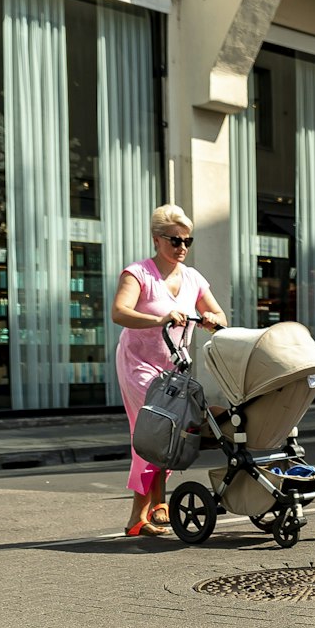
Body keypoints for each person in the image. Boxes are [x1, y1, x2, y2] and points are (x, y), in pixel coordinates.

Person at [111, 205, 227, 537]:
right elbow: (119, 312)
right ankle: (150, 507)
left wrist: (210, 321)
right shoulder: (138, 274)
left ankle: (147, 511)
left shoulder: (192, 278)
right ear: (157, 239)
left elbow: (219, 316)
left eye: (187, 240)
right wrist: (159, 318)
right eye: (175, 240)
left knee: (167, 431)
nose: (182, 247)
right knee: (157, 427)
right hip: (137, 363)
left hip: (172, 367)